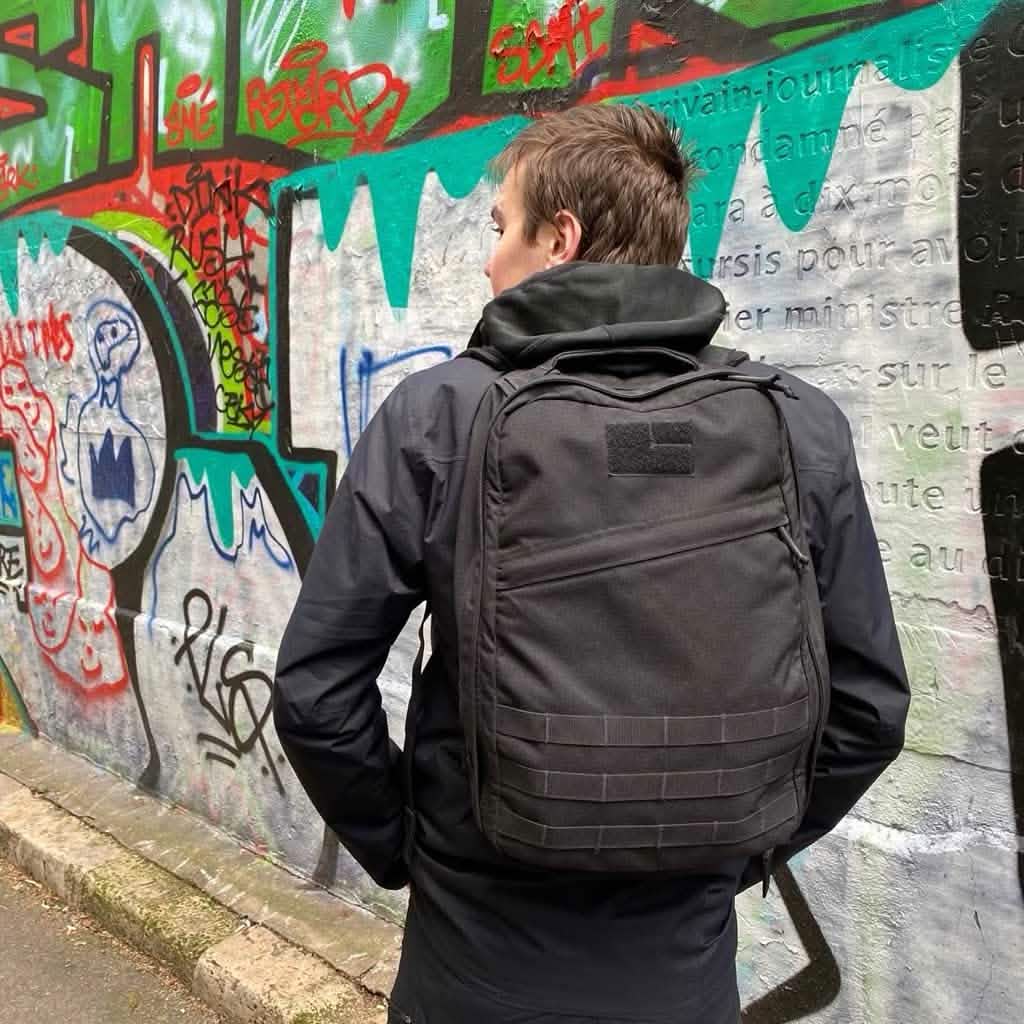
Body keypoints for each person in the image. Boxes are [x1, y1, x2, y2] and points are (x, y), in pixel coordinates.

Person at [273, 104, 910, 1024]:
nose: (489, 260)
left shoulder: (439, 416)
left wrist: (412, 847)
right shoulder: (796, 423)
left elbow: (316, 690)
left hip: (474, 956)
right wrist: (734, 845)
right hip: (682, 969)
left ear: (560, 239)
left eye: (500, 228)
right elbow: (868, 707)